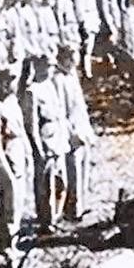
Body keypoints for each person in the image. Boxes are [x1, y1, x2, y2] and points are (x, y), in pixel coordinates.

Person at [0, 67, 31, 263]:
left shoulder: (13, 102)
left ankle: (14, 241)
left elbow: (22, 131)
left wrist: (28, 154)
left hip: (18, 152)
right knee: (8, 202)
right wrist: (3, 168)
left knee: (18, 200)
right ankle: (6, 245)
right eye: (6, 80)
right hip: (6, 155)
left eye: (12, 80)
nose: (10, 84)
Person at [20, 52, 70, 231]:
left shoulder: (51, 85)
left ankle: (57, 216)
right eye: (47, 66)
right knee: (46, 185)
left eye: (51, 67)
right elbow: (31, 124)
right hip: (45, 141)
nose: (49, 70)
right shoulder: (32, 91)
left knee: (61, 182)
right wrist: (38, 148)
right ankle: (47, 221)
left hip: (58, 139)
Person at [53, 46, 96, 221]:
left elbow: (80, 106)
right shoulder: (58, 79)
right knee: (73, 171)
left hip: (82, 127)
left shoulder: (72, 76)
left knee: (84, 168)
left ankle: (82, 204)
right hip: (70, 132)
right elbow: (61, 110)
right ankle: (72, 209)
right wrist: (71, 133)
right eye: (71, 58)